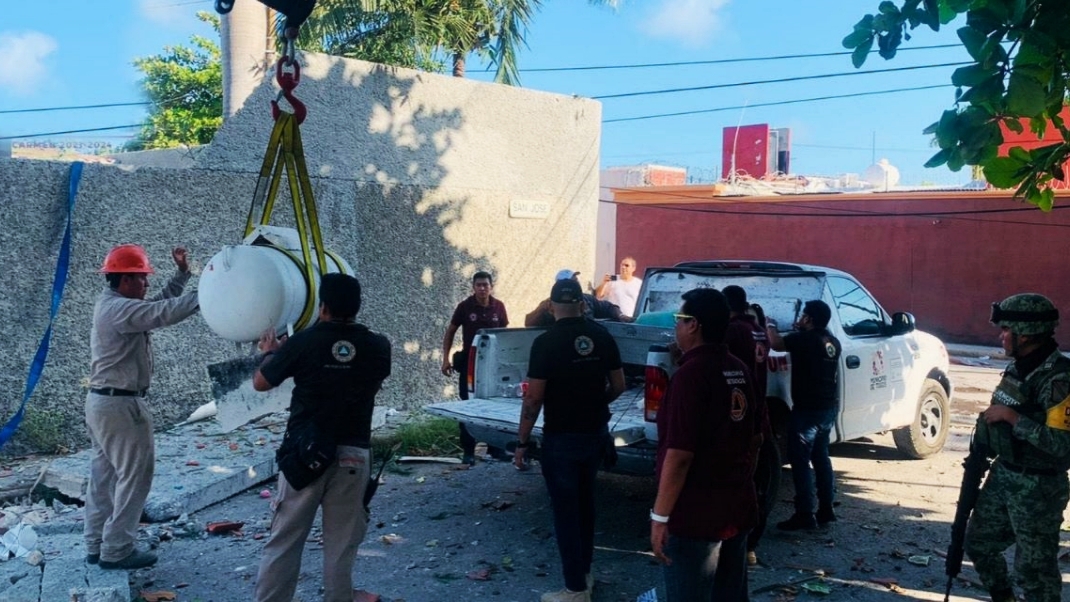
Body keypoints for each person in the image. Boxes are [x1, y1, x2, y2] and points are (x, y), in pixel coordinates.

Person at [253, 273, 391, 602]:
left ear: (323, 305)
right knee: (341, 547)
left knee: (285, 540)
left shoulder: (303, 342)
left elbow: (261, 383)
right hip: (354, 453)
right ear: (357, 307)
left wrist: (272, 353)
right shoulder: (379, 346)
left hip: (305, 453)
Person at [84, 244, 200, 570]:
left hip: (104, 404)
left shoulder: (115, 305)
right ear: (124, 280)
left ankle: (96, 545)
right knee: (135, 477)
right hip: (121, 407)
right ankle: (118, 549)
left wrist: (182, 276)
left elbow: (156, 305)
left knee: (103, 479)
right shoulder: (119, 310)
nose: (146, 284)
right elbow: (162, 313)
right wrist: (210, 294)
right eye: (142, 278)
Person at [514, 277, 626, 602]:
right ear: (581, 304)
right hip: (595, 434)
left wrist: (522, 443)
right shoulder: (602, 335)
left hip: (562, 438)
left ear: (550, 307)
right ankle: (585, 575)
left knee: (566, 512)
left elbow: (533, 399)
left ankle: (575, 590)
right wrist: (595, 402)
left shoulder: (545, 342)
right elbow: (618, 385)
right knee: (586, 506)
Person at [650, 288, 761, 601]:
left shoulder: (691, 375)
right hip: (735, 506)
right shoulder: (738, 368)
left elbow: (680, 455)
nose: (676, 327)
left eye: (679, 320)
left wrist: (660, 517)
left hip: (696, 516)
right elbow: (756, 438)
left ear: (693, 325)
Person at [964, 293, 1070, 602]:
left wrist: (1013, 419)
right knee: (979, 544)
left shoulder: (1058, 379)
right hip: (1004, 475)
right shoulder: (1019, 368)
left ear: (1026, 333)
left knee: (1034, 571)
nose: (1001, 336)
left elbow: (1062, 444)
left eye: (1007, 330)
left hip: (1039, 487)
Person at [766, 299, 842, 531]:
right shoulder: (832, 341)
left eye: (802, 316)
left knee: (800, 461)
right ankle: (826, 509)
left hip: (807, 410)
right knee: (821, 458)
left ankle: (804, 513)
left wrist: (769, 324)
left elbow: (776, 344)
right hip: (826, 409)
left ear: (808, 319)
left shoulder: (804, 340)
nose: (798, 320)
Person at [722, 286, 775, 568]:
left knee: (738, 481)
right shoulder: (757, 329)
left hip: (737, 412)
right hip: (759, 410)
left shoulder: (731, 331)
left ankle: (739, 544)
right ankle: (749, 545)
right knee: (753, 479)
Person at [440, 271, 508, 465]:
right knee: (467, 406)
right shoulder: (464, 307)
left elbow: (505, 335)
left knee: (495, 405)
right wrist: (445, 359)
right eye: (478, 285)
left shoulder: (499, 307)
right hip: (470, 366)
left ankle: (496, 449)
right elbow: (450, 331)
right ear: (473, 287)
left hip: (493, 367)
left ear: (491, 286)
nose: (482, 288)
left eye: (485, 285)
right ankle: (468, 451)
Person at [524, 269, 630, 327]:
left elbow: (607, 307)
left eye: (576, 279)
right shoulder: (549, 304)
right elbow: (529, 322)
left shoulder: (587, 299)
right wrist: (544, 310)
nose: (577, 282)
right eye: (573, 281)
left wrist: (621, 316)